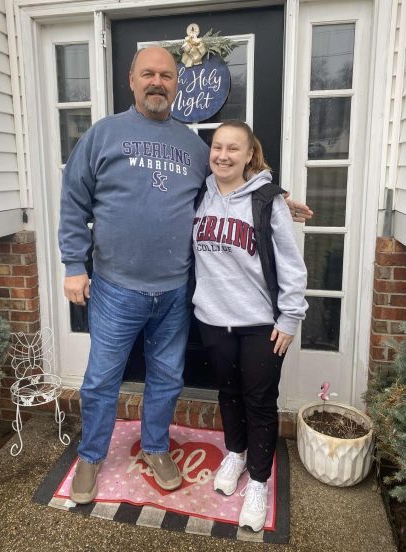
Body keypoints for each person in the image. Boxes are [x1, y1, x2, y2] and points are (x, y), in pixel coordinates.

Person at [59, 46, 311, 505]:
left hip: (175, 290)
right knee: (101, 379)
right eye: (148, 74)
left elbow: (230, 183)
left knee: (167, 377)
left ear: (177, 84)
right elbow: (74, 199)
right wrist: (74, 265)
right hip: (116, 288)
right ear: (132, 81)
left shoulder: (195, 146)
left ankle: (156, 447)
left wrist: (279, 199)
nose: (158, 82)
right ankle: (91, 455)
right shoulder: (103, 135)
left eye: (166, 75)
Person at [192, 120, 308, 532]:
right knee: (228, 391)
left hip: (260, 323)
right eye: (217, 147)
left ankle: (259, 481)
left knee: (259, 401)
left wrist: (291, 316)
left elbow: (292, 264)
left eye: (233, 149)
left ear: (249, 155)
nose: (223, 155)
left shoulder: (266, 200)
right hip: (212, 318)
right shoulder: (199, 193)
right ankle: (235, 453)